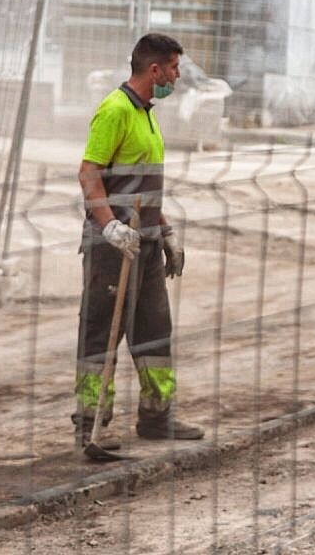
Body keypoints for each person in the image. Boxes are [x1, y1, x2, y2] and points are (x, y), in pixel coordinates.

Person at [72, 32, 204, 453]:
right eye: (174, 69)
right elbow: (89, 173)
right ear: (154, 69)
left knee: (153, 332)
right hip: (112, 248)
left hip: (144, 245)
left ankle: (156, 417)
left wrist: (164, 231)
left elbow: (141, 187)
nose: (177, 77)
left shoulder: (146, 112)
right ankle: (90, 422)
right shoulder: (115, 111)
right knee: (100, 335)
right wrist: (110, 225)